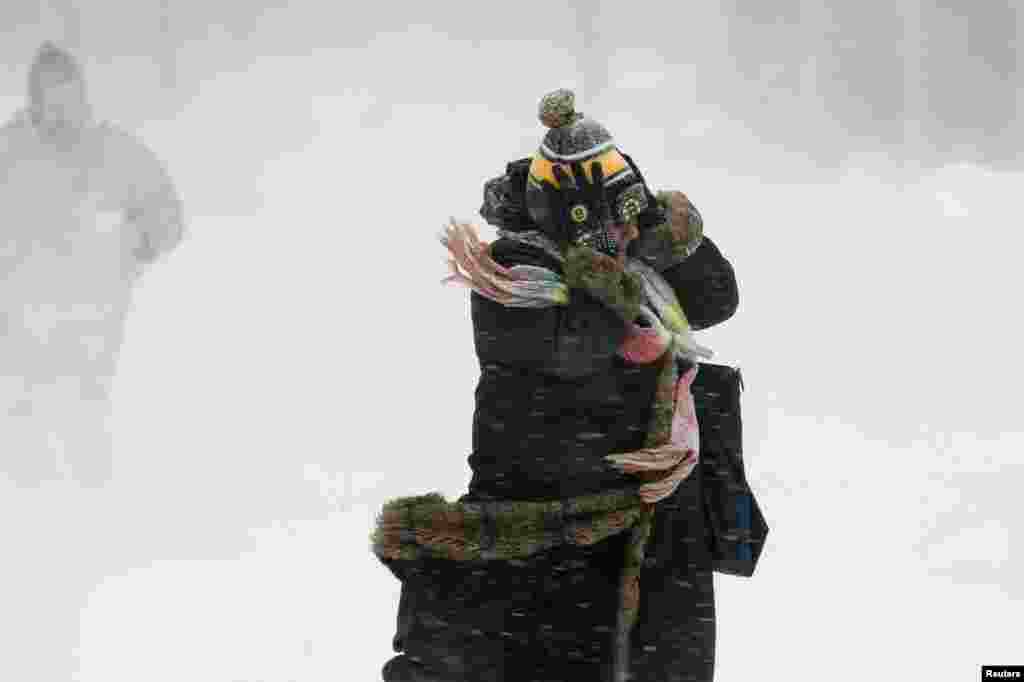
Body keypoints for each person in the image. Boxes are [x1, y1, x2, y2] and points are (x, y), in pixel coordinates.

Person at [372, 89, 739, 682]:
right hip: (545, 523)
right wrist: (605, 274)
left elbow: (718, 298)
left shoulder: (639, 252)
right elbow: (571, 350)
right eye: (601, 222)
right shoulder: (514, 271)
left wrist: (661, 227)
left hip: (656, 527)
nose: (616, 236)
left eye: (623, 216)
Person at [0, 41, 185, 488]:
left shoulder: (111, 150)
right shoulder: (10, 152)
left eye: (68, 93)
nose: (60, 105)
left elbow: (165, 210)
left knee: (83, 415)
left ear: (82, 94)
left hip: (93, 314)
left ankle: (91, 506)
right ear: (35, 98)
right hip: (21, 317)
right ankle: (36, 505)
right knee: (24, 420)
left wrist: (139, 249)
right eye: (50, 94)